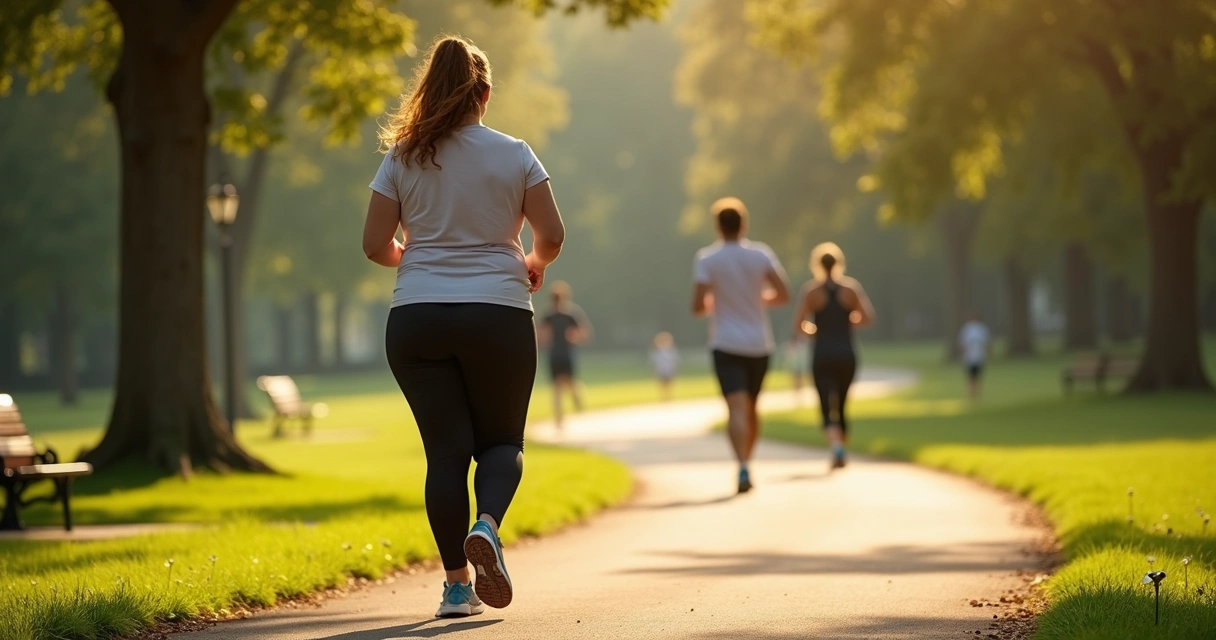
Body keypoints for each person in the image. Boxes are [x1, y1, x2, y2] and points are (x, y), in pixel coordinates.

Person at [362, 36, 565, 618]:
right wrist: (535, 262)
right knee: (502, 442)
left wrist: (419, 260)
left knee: (445, 455)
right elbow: (552, 234)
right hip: (497, 311)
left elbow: (376, 245)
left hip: (417, 319)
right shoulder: (515, 152)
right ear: (485, 94)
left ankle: (455, 588)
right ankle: (487, 526)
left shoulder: (403, 155)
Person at [691, 197, 790, 494]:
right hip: (759, 343)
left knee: (735, 408)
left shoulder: (707, 259)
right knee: (751, 407)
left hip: (726, 343)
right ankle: (749, 461)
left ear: (717, 227)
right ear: (743, 224)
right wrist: (761, 299)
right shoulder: (761, 255)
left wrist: (715, 303)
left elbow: (697, 306)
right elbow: (784, 293)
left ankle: (743, 465)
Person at [791, 242, 875, 471]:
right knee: (843, 403)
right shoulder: (850, 289)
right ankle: (842, 449)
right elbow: (867, 317)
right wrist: (848, 321)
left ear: (817, 264)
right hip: (847, 352)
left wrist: (816, 330)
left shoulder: (811, 292)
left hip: (822, 353)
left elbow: (798, 324)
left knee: (826, 404)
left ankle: (836, 447)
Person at [538, 282, 591, 428]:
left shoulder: (571, 314)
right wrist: (543, 341)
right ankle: (559, 419)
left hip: (566, 352)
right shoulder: (548, 315)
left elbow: (584, 333)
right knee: (557, 386)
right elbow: (541, 333)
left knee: (570, 382)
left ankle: (577, 400)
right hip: (555, 353)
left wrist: (574, 337)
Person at [958, 310, 991, 401]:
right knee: (971, 377)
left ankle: (976, 395)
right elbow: (963, 344)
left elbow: (985, 343)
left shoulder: (981, 329)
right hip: (970, 357)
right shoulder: (967, 329)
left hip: (979, 357)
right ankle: (971, 395)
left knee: (977, 377)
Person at [650, 331, 680, 401]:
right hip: (661, 369)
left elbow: (675, 360)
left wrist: (676, 368)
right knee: (662, 383)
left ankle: (669, 396)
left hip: (668, 369)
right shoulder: (657, 351)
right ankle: (663, 396)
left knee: (669, 382)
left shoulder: (671, 350)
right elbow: (654, 362)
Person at [784, 334, 810, 405]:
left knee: (800, 380)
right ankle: (796, 394)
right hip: (795, 365)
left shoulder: (801, 344)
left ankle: (800, 394)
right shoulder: (792, 346)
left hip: (799, 365)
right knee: (796, 380)